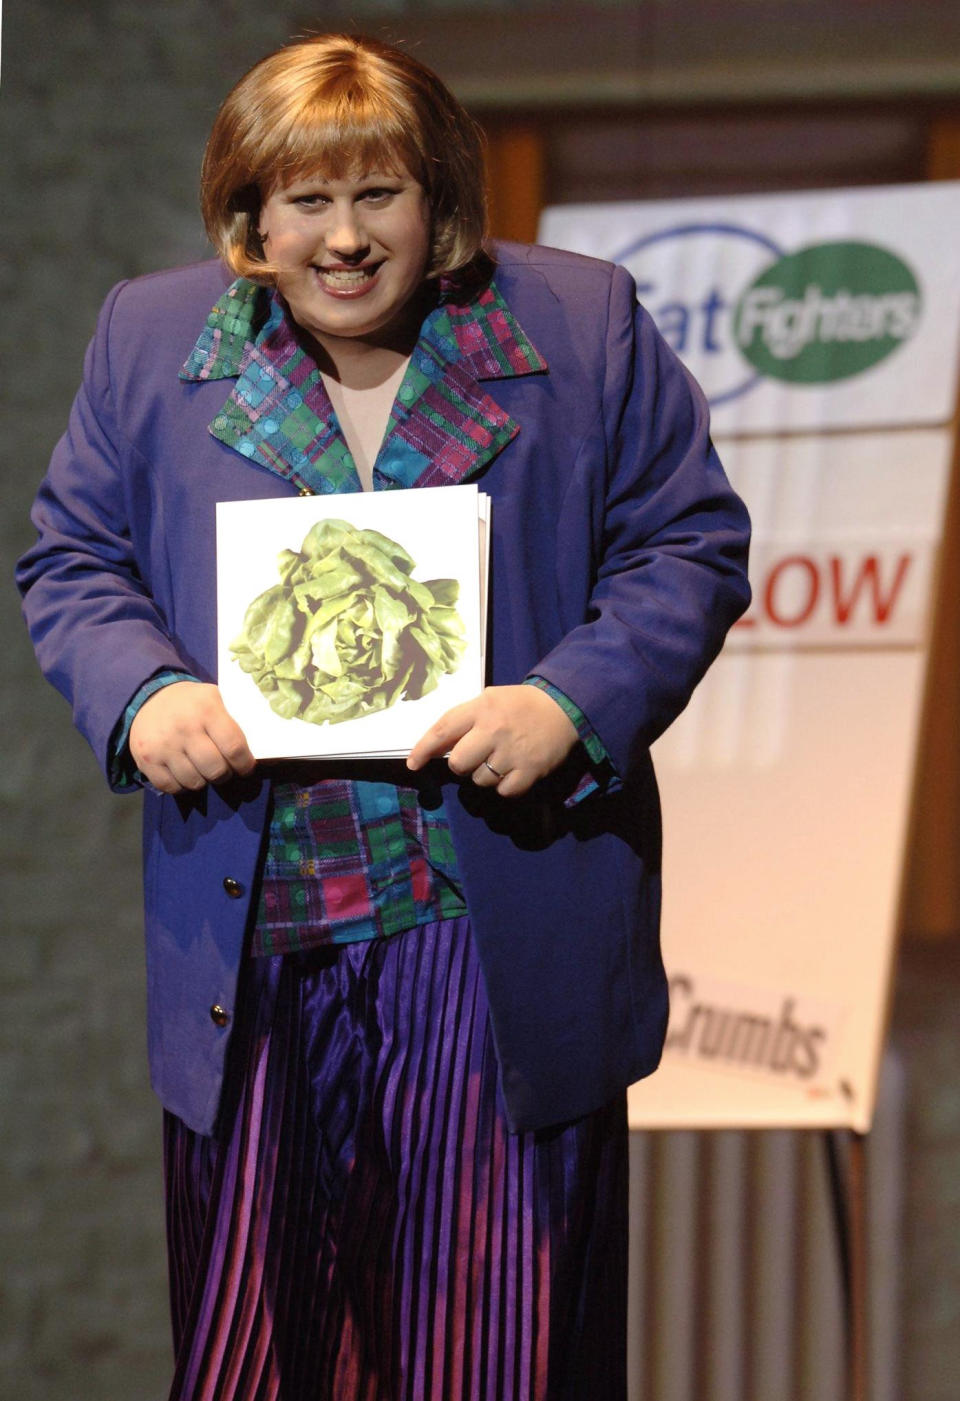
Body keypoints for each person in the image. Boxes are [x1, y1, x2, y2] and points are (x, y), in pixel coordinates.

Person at [17, 32, 750, 1401]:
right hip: (259, 934)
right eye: (305, 201)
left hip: (489, 921)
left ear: (439, 199)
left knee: (498, 1349)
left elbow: (688, 543)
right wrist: (144, 688)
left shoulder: (578, 325)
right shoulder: (151, 337)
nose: (343, 239)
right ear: (251, 216)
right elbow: (73, 557)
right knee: (255, 1350)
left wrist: (569, 702)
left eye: (378, 196)